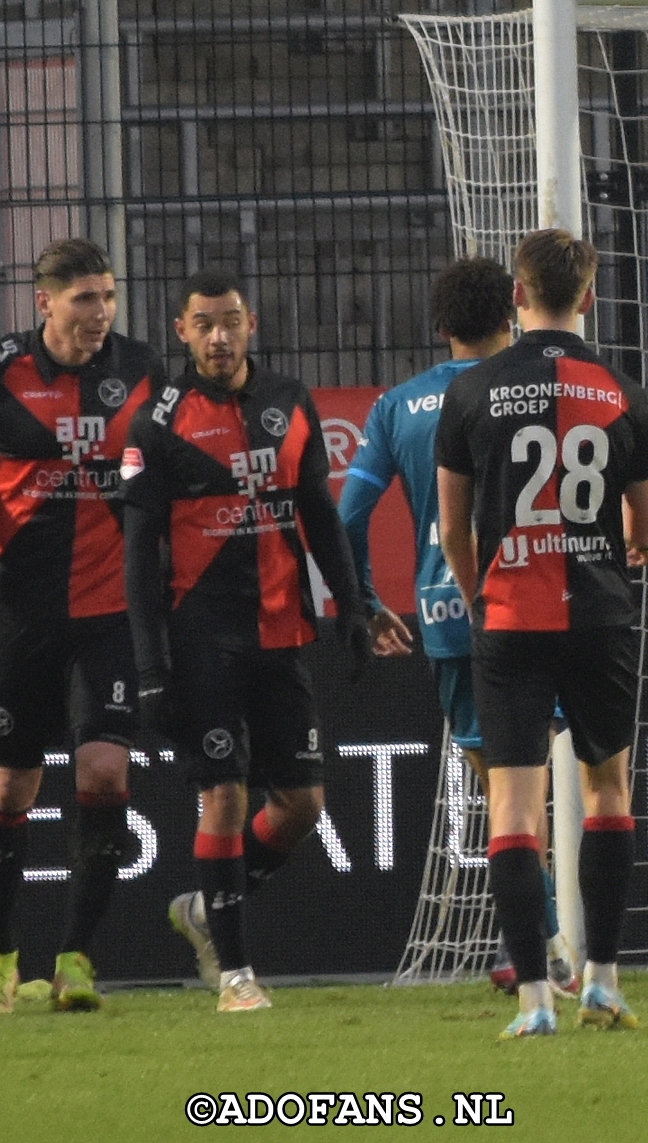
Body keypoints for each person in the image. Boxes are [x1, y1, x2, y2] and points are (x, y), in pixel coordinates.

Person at [124, 271, 375, 1012]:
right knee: (224, 794)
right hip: (201, 639)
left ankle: (206, 908)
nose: (220, 336)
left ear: (252, 322)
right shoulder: (156, 424)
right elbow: (139, 556)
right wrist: (149, 666)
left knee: (301, 807)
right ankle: (236, 976)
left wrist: (352, 609)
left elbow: (320, 516)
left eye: (230, 321)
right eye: (204, 324)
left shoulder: (291, 402)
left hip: (282, 632)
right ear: (181, 331)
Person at [435, 228, 648, 1039]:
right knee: (607, 790)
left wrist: (476, 593)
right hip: (600, 615)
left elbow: (452, 526)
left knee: (514, 809)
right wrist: (620, 547)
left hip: (510, 618)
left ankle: (535, 998)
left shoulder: (473, 391)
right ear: (590, 296)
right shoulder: (625, 390)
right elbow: (647, 524)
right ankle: (601, 978)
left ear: (517, 298)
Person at [338, 257, 576, 996]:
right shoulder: (545, 386)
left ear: (440, 327)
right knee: (549, 780)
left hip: (450, 613)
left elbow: (347, 513)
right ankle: (546, 946)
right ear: (513, 307)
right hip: (549, 604)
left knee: (504, 785)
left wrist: (367, 601)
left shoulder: (397, 406)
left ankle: (538, 944)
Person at [0, 239, 167, 1013]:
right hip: (17, 613)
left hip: (107, 612)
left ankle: (76, 960)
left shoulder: (141, 371)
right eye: (84, 300)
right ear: (45, 304)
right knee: (10, 787)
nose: (100, 313)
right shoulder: (4, 372)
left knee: (104, 771)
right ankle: (5, 963)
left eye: (108, 296)